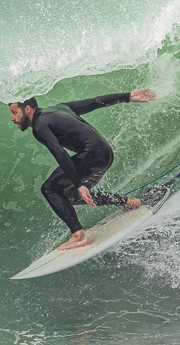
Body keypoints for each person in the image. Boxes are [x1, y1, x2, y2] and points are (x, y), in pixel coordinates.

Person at [9, 89, 157, 250]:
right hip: (105, 154)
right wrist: (128, 97)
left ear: (28, 109)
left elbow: (60, 154)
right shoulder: (60, 108)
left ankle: (79, 235)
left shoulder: (39, 126)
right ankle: (126, 202)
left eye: (15, 112)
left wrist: (79, 184)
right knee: (69, 195)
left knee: (49, 189)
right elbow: (95, 101)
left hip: (92, 157)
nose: (12, 118)